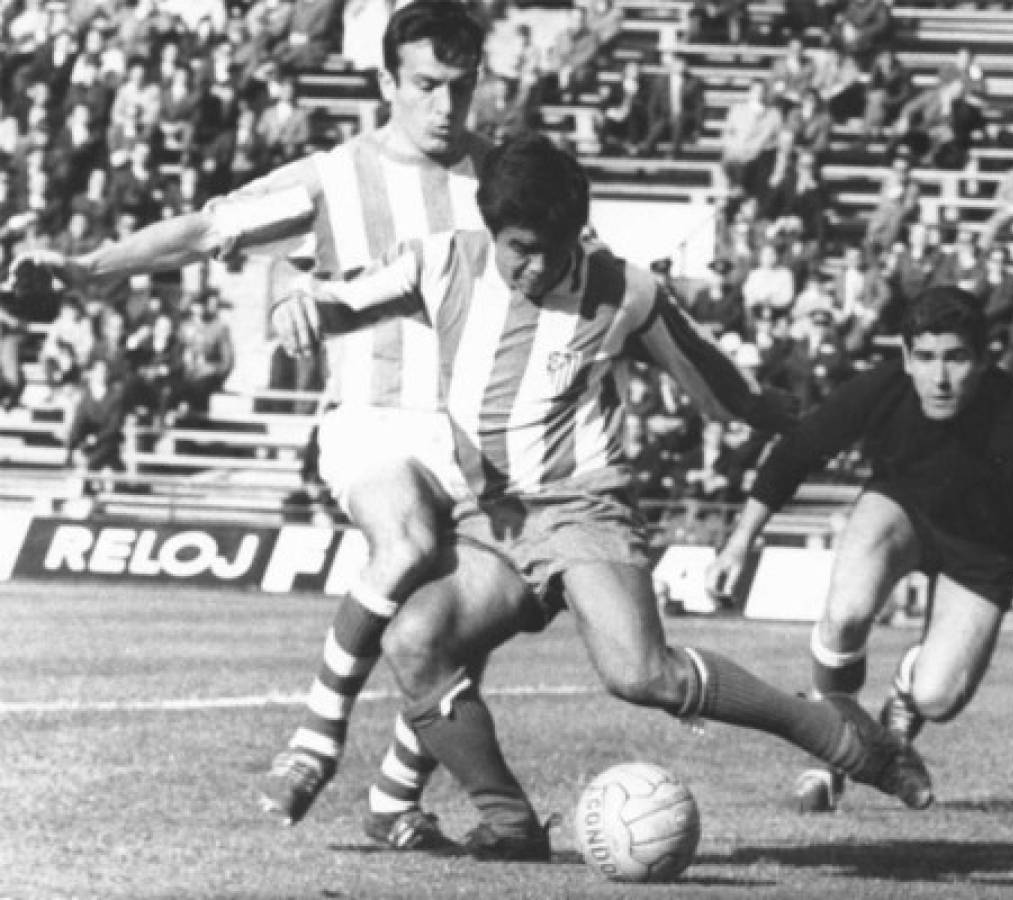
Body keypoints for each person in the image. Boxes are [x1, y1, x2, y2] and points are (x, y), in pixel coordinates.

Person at [270, 133, 935, 856]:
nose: (535, 266)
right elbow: (337, 301)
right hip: (490, 519)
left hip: (583, 510)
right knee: (415, 640)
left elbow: (721, 388)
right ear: (491, 229)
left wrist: (807, 421)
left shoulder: (624, 290)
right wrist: (298, 309)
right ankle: (510, 824)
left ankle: (835, 734)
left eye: (552, 249)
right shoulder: (440, 262)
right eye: (519, 247)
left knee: (639, 674)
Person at [17, 0, 512, 855]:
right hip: (374, 421)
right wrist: (88, 266)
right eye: (425, 86)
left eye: (459, 90)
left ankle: (394, 797)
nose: (443, 107)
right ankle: (315, 739)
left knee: (464, 622)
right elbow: (210, 227)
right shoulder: (330, 177)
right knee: (407, 540)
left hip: (480, 436)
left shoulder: (499, 180)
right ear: (386, 81)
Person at [707, 286, 1013, 813]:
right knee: (844, 614)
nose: (940, 378)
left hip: (984, 551)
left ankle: (906, 690)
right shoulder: (884, 387)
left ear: (984, 361)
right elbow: (799, 448)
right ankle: (830, 750)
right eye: (927, 358)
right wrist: (737, 544)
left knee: (938, 697)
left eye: (957, 358)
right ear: (907, 358)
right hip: (903, 513)